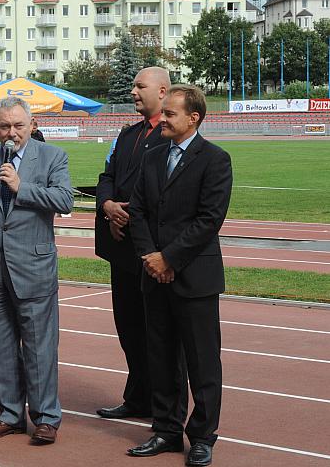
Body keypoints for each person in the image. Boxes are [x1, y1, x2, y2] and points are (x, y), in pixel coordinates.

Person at [126, 85, 232, 467]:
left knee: (203, 362)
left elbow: (209, 219)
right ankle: (166, 430)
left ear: (194, 118)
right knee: (162, 358)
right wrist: (151, 258)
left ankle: (202, 436)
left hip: (194, 277)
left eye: (170, 114)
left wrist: (168, 258)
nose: (163, 120)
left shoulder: (215, 160)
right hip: (154, 275)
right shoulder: (153, 156)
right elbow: (137, 211)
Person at [0, 96, 73, 445]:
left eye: (19, 125)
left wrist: (20, 187)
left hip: (33, 267)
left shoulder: (52, 156)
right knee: (0, 347)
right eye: (5, 126)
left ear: (32, 125)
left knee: (40, 348)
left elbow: (65, 200)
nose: (12, 132)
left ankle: (45, 418)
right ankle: (10, 414)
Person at [94, 67, 173, 421]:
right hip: (122, 246)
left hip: (153, 248)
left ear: (163, 91)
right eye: (133, 86)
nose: (133, 92)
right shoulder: (128, 135)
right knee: (128, 327)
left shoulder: (171, 136)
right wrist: (108, 206)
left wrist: (129, 216)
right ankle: (138, 396)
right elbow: (107, 176)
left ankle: (163, 406)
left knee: (158, 331)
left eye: (140, 86)